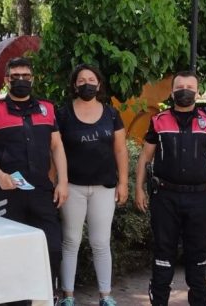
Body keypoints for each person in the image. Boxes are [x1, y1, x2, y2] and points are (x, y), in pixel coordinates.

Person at [135, 71, 206, 306]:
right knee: (163, 255)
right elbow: (144, 158)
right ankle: (159, 300)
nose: (185, 90)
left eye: (190, 87)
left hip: (201, 199)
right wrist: (139, 190)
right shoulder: (158, 120)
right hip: (165, 197)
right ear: (172, 92)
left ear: (197, 91)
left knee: (197, 256)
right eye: (180, 86)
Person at [0, 57, 68, 305]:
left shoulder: (47, 108)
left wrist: (63, 182)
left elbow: (57, 146)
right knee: (10, 254)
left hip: (42, 192)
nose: (21, 81)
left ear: (33, 79)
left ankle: (47, 298)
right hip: (8, 194)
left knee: (53, 248)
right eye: (16, 77)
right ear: (7, 80)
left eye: (26, 76)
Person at [56, 64, 128, 306]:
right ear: (75, 85)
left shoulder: (111, 114)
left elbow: (120, 149)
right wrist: (56, 182)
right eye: (81, 79)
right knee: (71, 241)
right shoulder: (63, 114)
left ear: (99, 84)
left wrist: (124, 183)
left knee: (100, 242)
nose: (86, 83)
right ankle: (67, 296)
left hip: (104, 188)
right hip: (72, 187)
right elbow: (54, 151)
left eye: (91, 79)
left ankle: (105, 296)